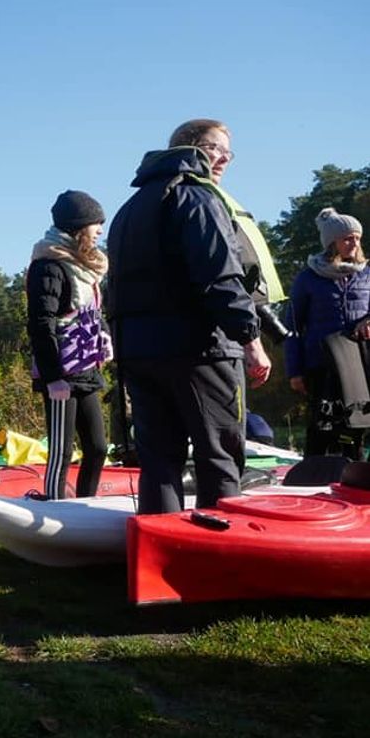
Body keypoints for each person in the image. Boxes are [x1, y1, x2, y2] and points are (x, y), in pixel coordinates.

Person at [107, 119, 272, 514]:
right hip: (201, 351)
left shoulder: (129, 209)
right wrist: (250, 339)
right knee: (220, 456)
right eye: (217, 149)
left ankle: (160, 560)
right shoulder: (199, 198)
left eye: (229, 153)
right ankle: (224, 564)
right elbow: (219, 275)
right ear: (192, 148)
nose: (225, 159)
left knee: (160, 461)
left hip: (140, 353)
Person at [26, 190, 111, 499]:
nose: (100, 229)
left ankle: (86, 504)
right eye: (95, 223)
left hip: (85, 369)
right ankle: (53, 505)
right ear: (78, 227)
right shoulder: (49, 266)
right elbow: (41, 322)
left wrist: (104, 335)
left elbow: (90, 310)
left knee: (98, 447)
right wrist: (52, 377)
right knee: (62, 450)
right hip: (60, 374)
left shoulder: (86, 268)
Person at [284, 208, 370, 459]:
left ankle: (357, 481)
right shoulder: (308, 278)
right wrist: (295, 371)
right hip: (320, 366)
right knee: (322, 426)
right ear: (332, 242)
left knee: (356, 427)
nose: (354, 243)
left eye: (357, 237)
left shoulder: (367, 275)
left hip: (359, 365)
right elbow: (292, 326)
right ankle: (314, 481)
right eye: (347, 238)